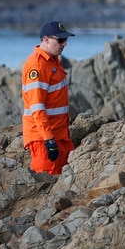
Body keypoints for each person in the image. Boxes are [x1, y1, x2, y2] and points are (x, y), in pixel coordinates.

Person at [22, 20, 75, 174]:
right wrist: (48, 139)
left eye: (65, 40)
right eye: (60, 40)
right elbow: (36, 107)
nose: (64, 44)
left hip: (60, 135)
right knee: (46, 184)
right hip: (44, 139)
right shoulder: (37, 65)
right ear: (46, 39)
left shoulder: (52, 61)